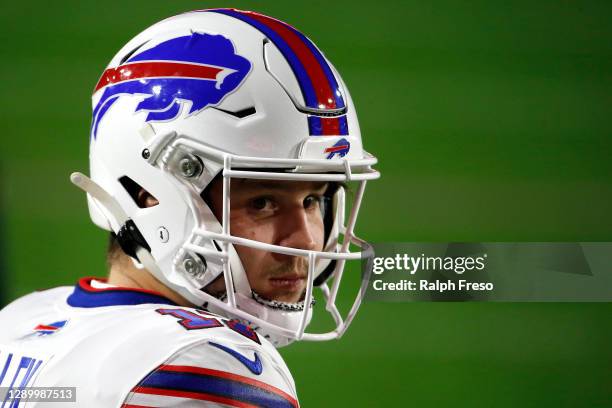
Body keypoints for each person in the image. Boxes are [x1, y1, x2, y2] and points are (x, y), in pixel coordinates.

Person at [0, 8, 379, 407]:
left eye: (313, 200)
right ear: (148, 193)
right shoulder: (201, 366)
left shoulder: (18, 323)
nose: (307, 239)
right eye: (263, 202)